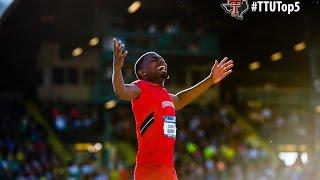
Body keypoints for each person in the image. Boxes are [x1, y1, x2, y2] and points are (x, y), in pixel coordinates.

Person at [111, 38, 234, 180]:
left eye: (162, 59)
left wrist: (210, 79)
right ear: (142, 72)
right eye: (153, 60)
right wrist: (116, 69)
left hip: (169, 169)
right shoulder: (140, 87)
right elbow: (121, 91)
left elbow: (181, 99)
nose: (160, 61)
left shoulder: (167, 97)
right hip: (149, 169)